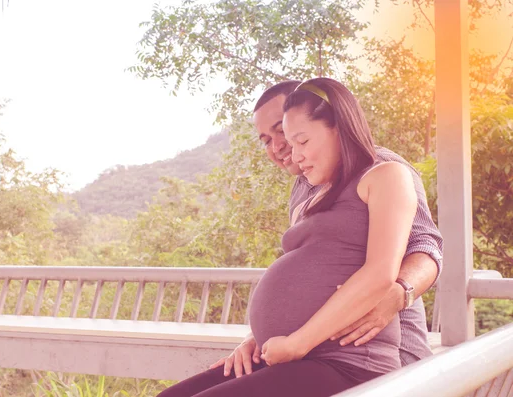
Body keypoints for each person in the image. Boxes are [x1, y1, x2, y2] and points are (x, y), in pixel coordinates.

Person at [157, 78, 442, 397]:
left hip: (373, 355)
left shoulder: (383, 170)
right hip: (305, 353)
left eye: (284, 131)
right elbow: (320, 268)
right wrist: (259, 338)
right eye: (267, 139)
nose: (280, 146)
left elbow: (424, 250)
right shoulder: (306, 188)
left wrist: (397, 293)